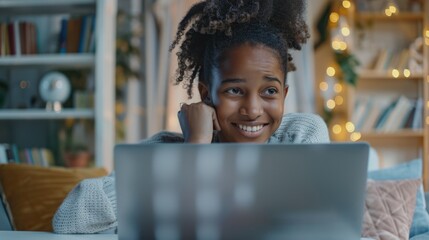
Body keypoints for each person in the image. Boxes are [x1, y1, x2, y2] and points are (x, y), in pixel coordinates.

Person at [52, 0, 330, 234]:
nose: (253, 109)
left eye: (269, 91)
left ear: (284, 93)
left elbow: (309, 222)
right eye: (235, 90)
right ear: (206, 95)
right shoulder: (167, 153)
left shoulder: (299, 135)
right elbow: (69, 220)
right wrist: (195, 149)